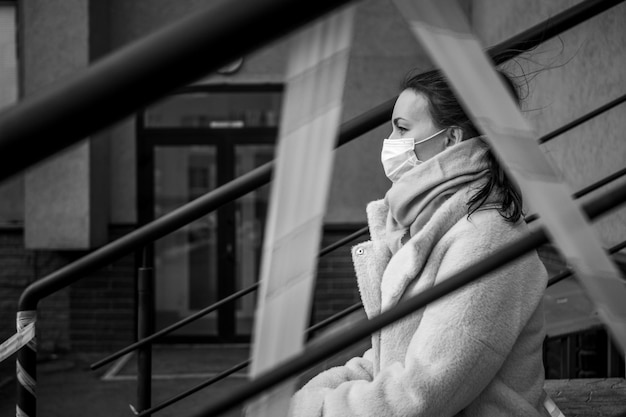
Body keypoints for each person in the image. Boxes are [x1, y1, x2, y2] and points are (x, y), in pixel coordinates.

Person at [288, 69, 550, 416]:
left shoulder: (486, 240)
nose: (390, 140)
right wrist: (311, 396)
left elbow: (420, 394)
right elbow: (393, 356)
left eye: (402, 128)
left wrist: (315, 410)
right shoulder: (430, 225)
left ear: (452, 138)